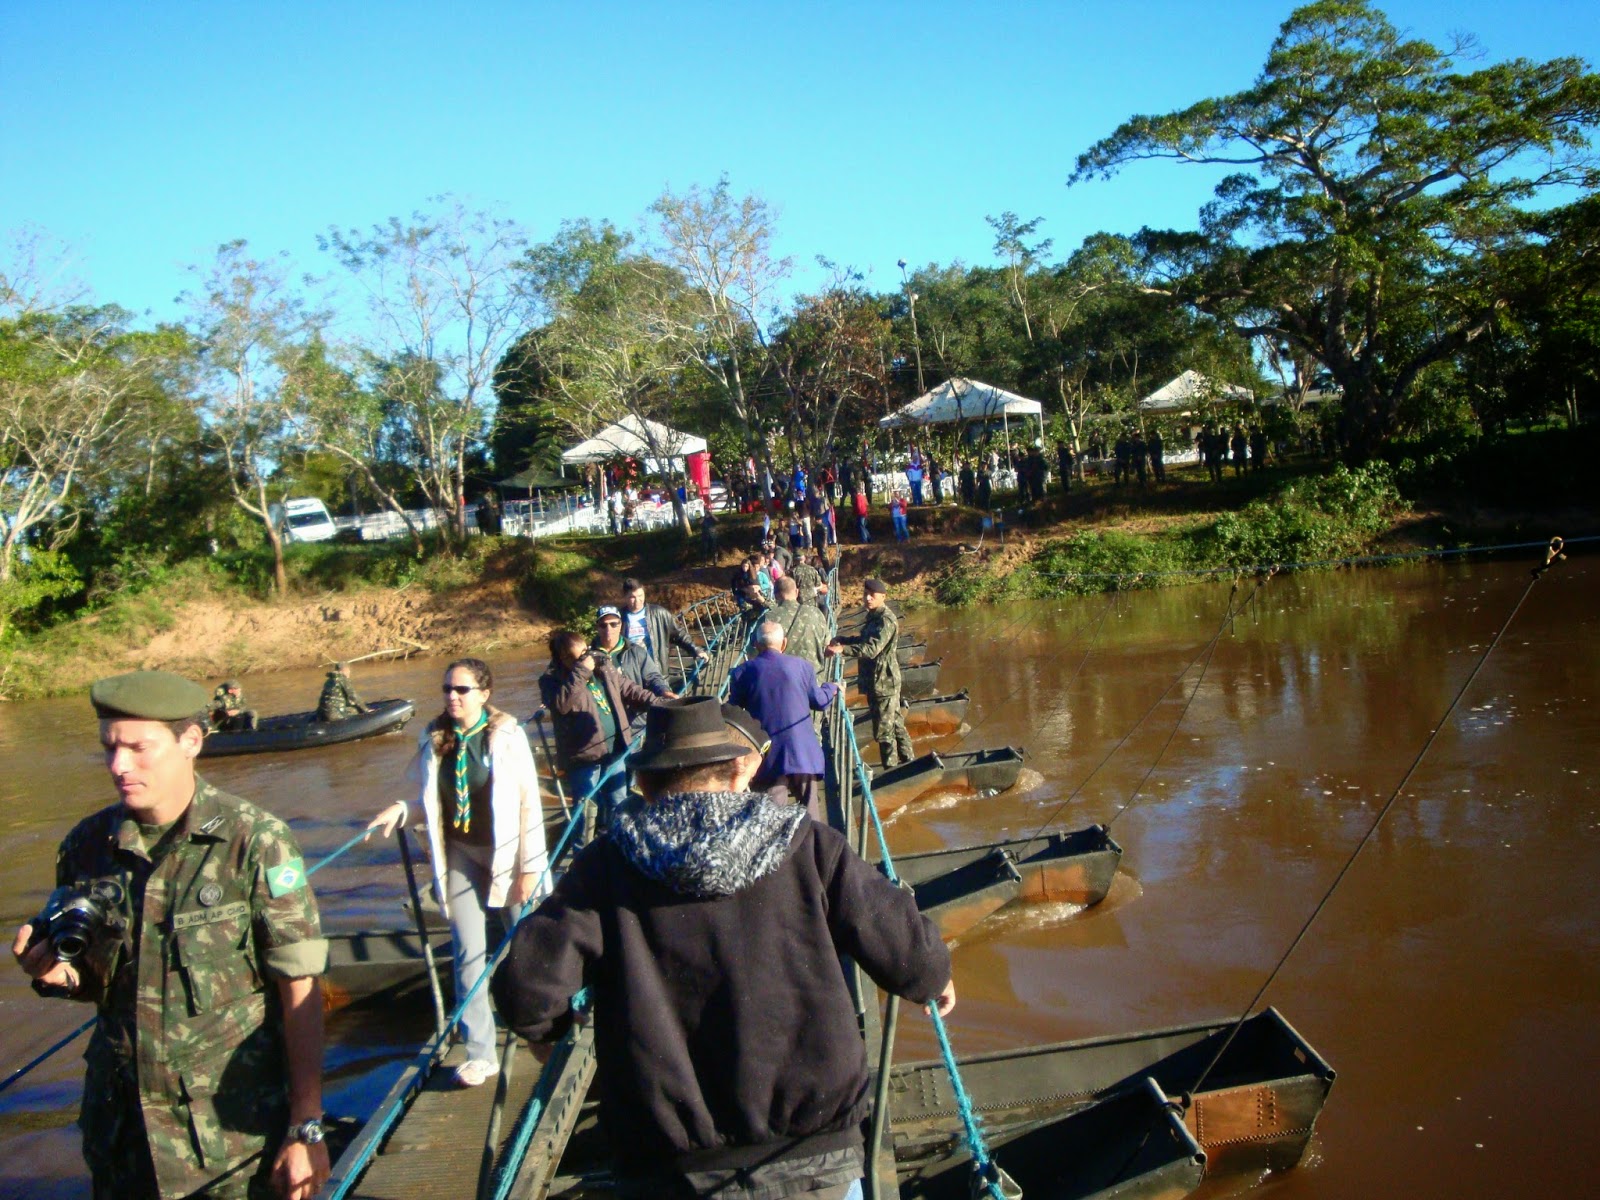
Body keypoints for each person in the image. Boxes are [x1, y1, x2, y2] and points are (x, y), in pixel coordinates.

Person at [491, 698, 953, 1200]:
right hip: (813, 1154)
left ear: (643, 783)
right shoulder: (809, 844)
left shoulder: (605, 866)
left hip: (672, 1168)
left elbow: (526, 989)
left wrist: (546, 1031)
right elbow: (905, 947)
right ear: (738, 773)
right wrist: (933, 979)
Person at [13, 670, 330, 1200]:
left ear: (191, 742)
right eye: (110, 747)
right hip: (123, 1139)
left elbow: (300, 986)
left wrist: (306, 1126)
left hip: (230, 1142)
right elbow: (99, 984)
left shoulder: (255, 842)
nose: (119, 766)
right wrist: (55, 975)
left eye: (139, 748)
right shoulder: (86, 848)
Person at [367, 658, 547, 1088]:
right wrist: (402, 810)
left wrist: (531, 869)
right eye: (447, 688)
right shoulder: (434, 739)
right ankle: (480, 1053)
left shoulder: (507, 737)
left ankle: (543, 1025)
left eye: (462, 690)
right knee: (468, 953)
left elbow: (529, 805)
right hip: (462, 856)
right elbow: (433, 803)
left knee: (526, 947)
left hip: (508, 855)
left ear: (484, 694)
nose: (452, 696)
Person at [540, 629, 662, 833]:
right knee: (585, 811)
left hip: (615, 748)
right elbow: (561, 704)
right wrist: (581, 671)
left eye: (586, 651)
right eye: (580, 656)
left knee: (618, 801)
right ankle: (582, 850)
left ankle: (619, 843)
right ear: (564, 658)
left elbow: (629, 689)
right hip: (584, 757)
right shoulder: (550, 681)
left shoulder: (602, 667)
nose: (587, 658)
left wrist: (660, 703)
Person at [728, 621, 840, 819]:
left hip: (768, 756)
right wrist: (831, 688)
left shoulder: (741, 673)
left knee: (771, 816)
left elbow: (733, 712)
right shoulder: (802, 666)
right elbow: (819, 702)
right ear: (784, 643)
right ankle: (813, 837)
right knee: (811, 813)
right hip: (802, 753)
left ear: (756, 644)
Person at [827, 578, 914, 769]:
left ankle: (891, 768)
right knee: (895, 722)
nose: (867, 598)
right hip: (877, 680)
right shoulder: (873, 616)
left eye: (872, 595)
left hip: (884, 682)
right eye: (865, 594)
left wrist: (843, 650)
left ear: (883, 597)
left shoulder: (885, 620)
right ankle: (909, 762)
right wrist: (844, 640)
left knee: (884, 731)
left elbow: (871, 649)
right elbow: (865, 639)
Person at [591, 606, 677, 722]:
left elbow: (653, 677)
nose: (608, 629)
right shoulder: (589, 656)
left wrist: (664, 691)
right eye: (603, 625)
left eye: (613, 624)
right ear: (597, 627)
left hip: (635, 721)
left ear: (620, 625)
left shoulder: (636, 652)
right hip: (605, 722)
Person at [620, 578, 707, 680]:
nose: (638, 600)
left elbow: (679, 634)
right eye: (632, 597)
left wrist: (696, 650)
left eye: (640, 596)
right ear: (625, 597)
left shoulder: (659, 613)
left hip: (657, 673)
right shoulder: (618, 618)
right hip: (631, 675)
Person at [764, 576, 831, 680]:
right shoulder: (816, 613)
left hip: (783, 682)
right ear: (797, 592)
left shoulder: (769, 618)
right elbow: (827, 644)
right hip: (813, 681)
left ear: (775, 595)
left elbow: (755, 651)